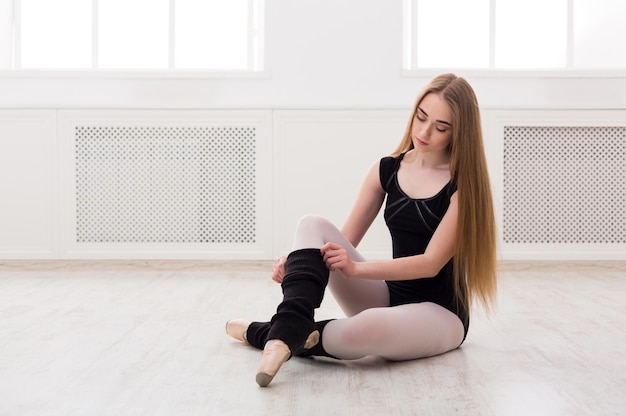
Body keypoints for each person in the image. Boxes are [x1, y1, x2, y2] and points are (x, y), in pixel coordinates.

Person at [226, 73, 497, 387]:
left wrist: (357, 269)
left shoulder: (463, 186)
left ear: (459, 133)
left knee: (367, 329)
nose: (424, 132)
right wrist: (301, 264)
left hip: (440, 315)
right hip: (386, 296)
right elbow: (340, 242)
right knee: (311, 224)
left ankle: (266, 333)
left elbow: (430, 263)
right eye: (421, 117)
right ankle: (289, 326)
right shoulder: (386, 169)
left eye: (440, 127)